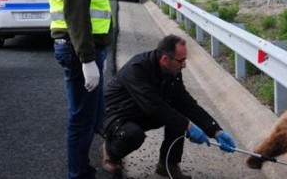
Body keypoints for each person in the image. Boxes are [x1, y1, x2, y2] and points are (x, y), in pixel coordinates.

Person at [48, 0, 133, 179]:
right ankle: (78, 175)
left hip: (85, 48)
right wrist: (86, 59)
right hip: (78, 50)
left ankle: (83, 168)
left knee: (93, 116)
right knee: (81, 120)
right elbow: (75, 8)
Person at [101, 34, 237, 179]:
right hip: (113, 114)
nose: (184, 65)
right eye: (182, 60)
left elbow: (186, 102)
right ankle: (111, 152)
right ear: (165, 59)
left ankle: (168, 164)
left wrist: (215, 130)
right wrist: (188, 126)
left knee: (178, 113)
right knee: (133, 134)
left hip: (138, 111)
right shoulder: (137, 69)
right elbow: (154, 105)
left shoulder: (172, 71)